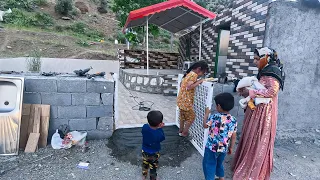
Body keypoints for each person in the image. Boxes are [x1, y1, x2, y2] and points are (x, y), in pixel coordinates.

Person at [232, 47, 285, 180]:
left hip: (264, 112)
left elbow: (272, 92)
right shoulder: (264, 70)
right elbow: (260, 87)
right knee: (251, 135)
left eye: (257, 59)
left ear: (266, 57)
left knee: (258, 137)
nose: (255, 62)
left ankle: (254, 169)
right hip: (257, 109)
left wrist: (250, 92)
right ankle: (248, 162)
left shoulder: (273, 71)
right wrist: (248, 90)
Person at [202, 93, 237, 180]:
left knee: (209, 164)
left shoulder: (214, 117)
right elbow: (233, 136)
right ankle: (221, 178)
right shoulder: (233, 120)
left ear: (219, 106)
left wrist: (206, 114)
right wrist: (231, 148)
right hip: (223, 148)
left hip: (211, 148)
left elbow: (205, 126)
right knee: (219, 163)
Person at [177, 61, 209, 137]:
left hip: (181, 100)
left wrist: (196, 82)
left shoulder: (188, 74)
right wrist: (200, 81)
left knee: (182, 117)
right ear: (199, 69)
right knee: (191, 117)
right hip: (186, 102)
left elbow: (182, 84)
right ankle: (184, 132)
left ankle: (180, 130)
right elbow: (189, 87)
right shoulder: (193, 75)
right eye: (203, 72)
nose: (202, 74)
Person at [141, 110, 165, 180]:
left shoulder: (144, 127)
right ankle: (153, 178)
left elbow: (145, 129)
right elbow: (162, 138)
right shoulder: (158, 133)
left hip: (144, 150)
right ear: (160, 123)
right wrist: (160, 128)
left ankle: (144, 176)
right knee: (153, 166)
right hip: (154, 153)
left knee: (145, 163)